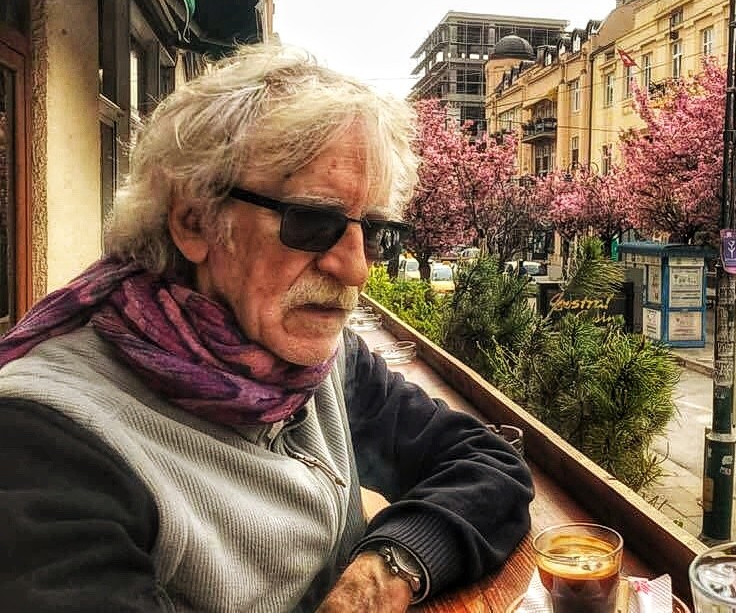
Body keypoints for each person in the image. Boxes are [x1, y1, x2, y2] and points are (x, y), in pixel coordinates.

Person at [0, 44, 533, 612]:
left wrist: (386, 570)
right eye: (313, 221)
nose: (356, 269)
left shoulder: (321, 365)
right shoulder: (44, 445)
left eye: (375, 232)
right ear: (195, 222)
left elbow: (488, 463)